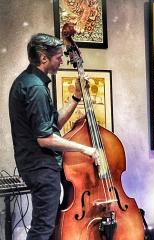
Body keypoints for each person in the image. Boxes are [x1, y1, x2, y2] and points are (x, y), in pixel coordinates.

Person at [8, 33, 99, 240]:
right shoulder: (35, 88)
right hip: (40, 167)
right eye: (58, 57)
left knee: (49, 226)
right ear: (43, 58)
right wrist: (86, 149)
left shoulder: (29, 82)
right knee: (43, 228)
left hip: (38, 166)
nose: (61, 61)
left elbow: (52, 126)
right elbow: (45, 139)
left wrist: (76, 96)